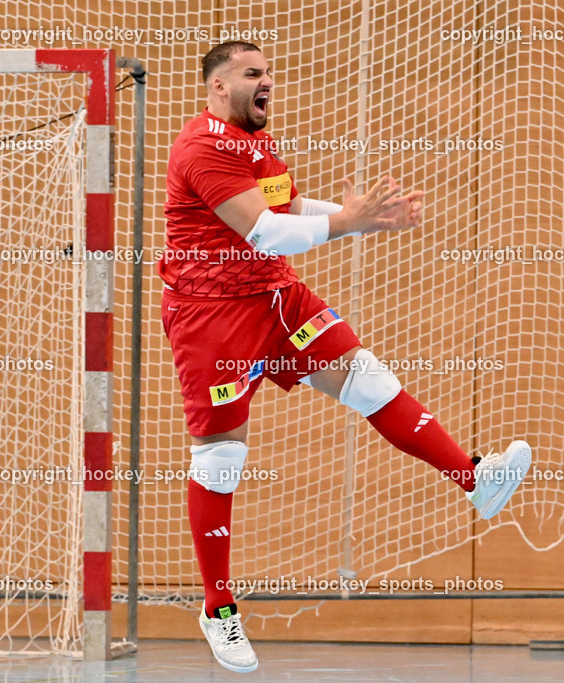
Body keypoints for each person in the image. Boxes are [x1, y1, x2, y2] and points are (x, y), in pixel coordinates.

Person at [160, 40, 531, 674]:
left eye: (269, 71)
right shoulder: (202, 148)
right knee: (222, 459)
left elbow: (292, 208)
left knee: (369, 380)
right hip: (212, 316)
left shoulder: (256, 143)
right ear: (219, 88)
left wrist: (370, 218)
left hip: (275, 296)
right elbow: (265, 229)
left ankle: (477, 481)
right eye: (252, 74)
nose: (267, 81)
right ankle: (219, 609)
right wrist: (351, 222)